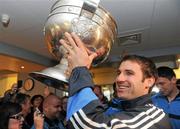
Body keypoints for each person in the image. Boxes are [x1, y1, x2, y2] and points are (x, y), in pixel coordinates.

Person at [60, 32, 171, 129]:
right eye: (119, 73)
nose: (119, 79)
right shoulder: (121, 106)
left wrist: (79, 69)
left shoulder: (152, 118)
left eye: (129, 73)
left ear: (149, 81)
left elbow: (87, 123)